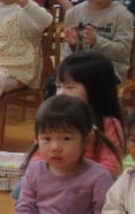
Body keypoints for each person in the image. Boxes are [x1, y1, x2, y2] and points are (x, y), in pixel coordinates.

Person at [54, 51, 126, 179]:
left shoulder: (108, 124)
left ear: (95, 90)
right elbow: (38, 154)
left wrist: (78, 181)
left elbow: (111, 167)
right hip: (55, 178)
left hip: (91, 184)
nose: (61, 93)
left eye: (70, 87)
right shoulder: (53, 119)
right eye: (58, 87)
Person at [62, 0, 134, 71]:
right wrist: (73, 45)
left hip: (110, 71)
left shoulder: (123, 15)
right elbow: (66, 54)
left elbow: (123, 52)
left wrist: (97, 41)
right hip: (79, 71)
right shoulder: (73, 14)